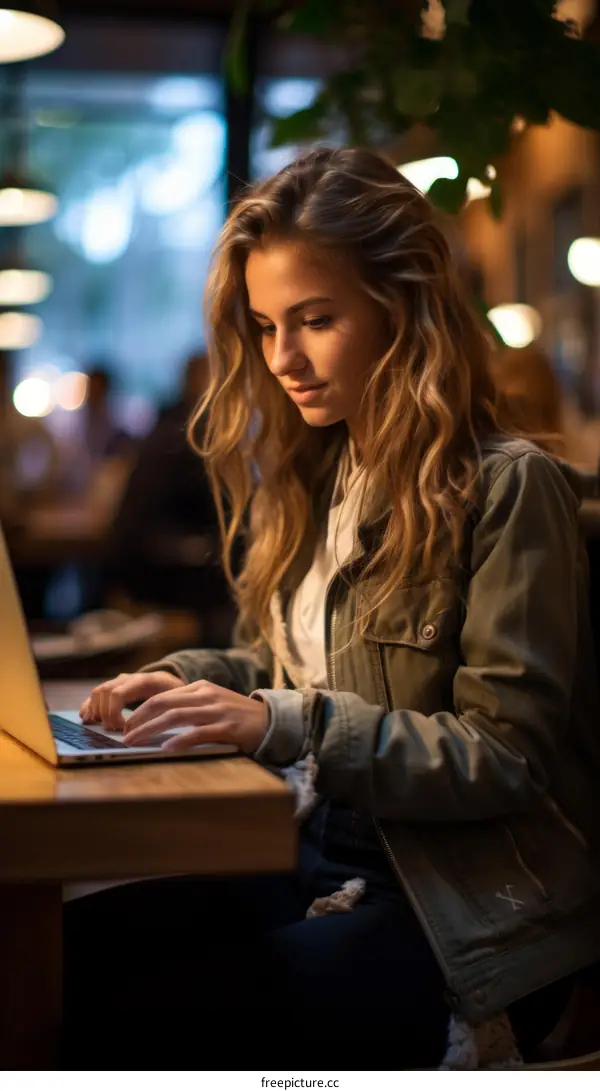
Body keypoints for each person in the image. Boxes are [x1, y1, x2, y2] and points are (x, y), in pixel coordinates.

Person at [62, 147, 600, 1071]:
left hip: (460, 911)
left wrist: (280, 717)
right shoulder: (320, 477)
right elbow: (285, 672)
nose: (282, 360)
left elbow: (504, 756)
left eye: (316, 320)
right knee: (65, 957)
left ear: (404, 307)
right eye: (267, 325)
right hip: (320, 852)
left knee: (134, 1022)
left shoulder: (509, 488)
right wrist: (185, 681)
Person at [106, 351, 236, 643]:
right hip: (164, 577)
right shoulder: (192, 435)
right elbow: (222, 516)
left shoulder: (167, 424)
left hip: (137, 569)